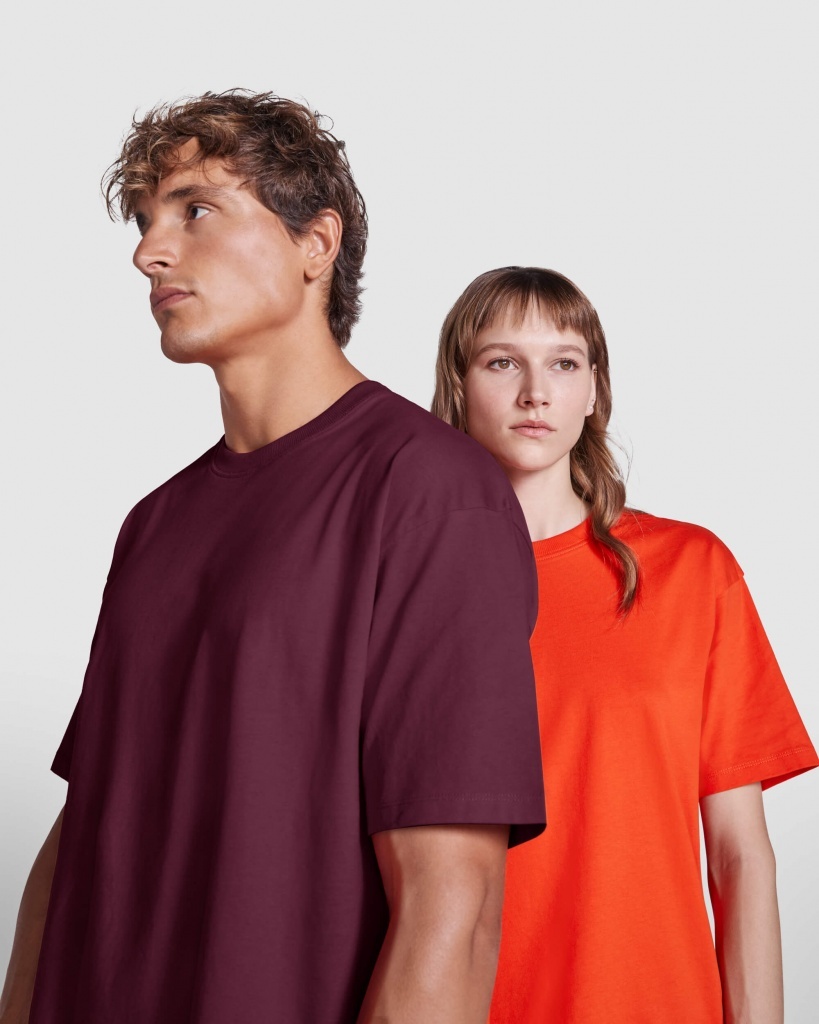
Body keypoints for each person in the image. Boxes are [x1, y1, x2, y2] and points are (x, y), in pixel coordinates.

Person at [0, 94, 547, 1024]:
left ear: (314, 244)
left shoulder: (430, 492)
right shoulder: (154, 524)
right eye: (145, 220)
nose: (149, 252)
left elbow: (449, 913)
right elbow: (85, 826)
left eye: (195, 210)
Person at [431, 266, 818, 1024]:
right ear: (458, 385)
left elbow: (739, 856)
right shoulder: (407, 589)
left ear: (594, 391)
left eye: (563, 363)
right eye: (502, 362)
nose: (535, 393)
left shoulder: (693, 572)